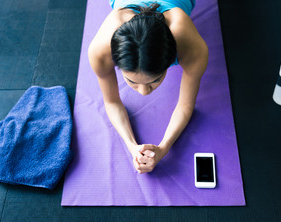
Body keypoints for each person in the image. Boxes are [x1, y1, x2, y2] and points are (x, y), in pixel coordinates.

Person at [88, 0, 208, 174]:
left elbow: (186, 105)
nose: (144, 92)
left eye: (155, 80)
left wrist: (164, 148)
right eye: (132, 81)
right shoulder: (100, 52)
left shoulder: (192, 48)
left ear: (171, 59)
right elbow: (112, 101)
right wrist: (132, 147)